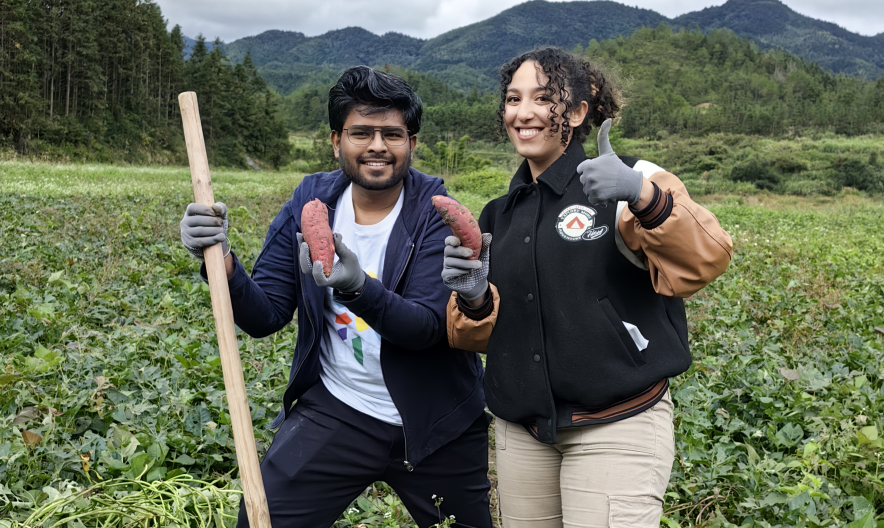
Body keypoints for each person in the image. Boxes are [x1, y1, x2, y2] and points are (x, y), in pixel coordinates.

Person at [180, 66, 492, 528]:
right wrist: (221, 261)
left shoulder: (434, 211)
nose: (377, 146)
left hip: (435, 422)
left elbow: (426, 329)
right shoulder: (311, 200)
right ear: (335, 140)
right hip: (340, 410)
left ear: (411, 143)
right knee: (263, 519)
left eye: (393, 133)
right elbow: (266, 313)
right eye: (360, 132)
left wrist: (356, 288)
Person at [442, 47, 733, 528]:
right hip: (525, 434)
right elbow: (481, 337)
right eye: (513, 99)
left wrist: (644, 197)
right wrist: (473, 299)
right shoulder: (500, 214)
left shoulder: (632, 181)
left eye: (543, 98)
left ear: (578, 112)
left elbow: (708, 257)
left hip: (617, 425)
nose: (524, 112)